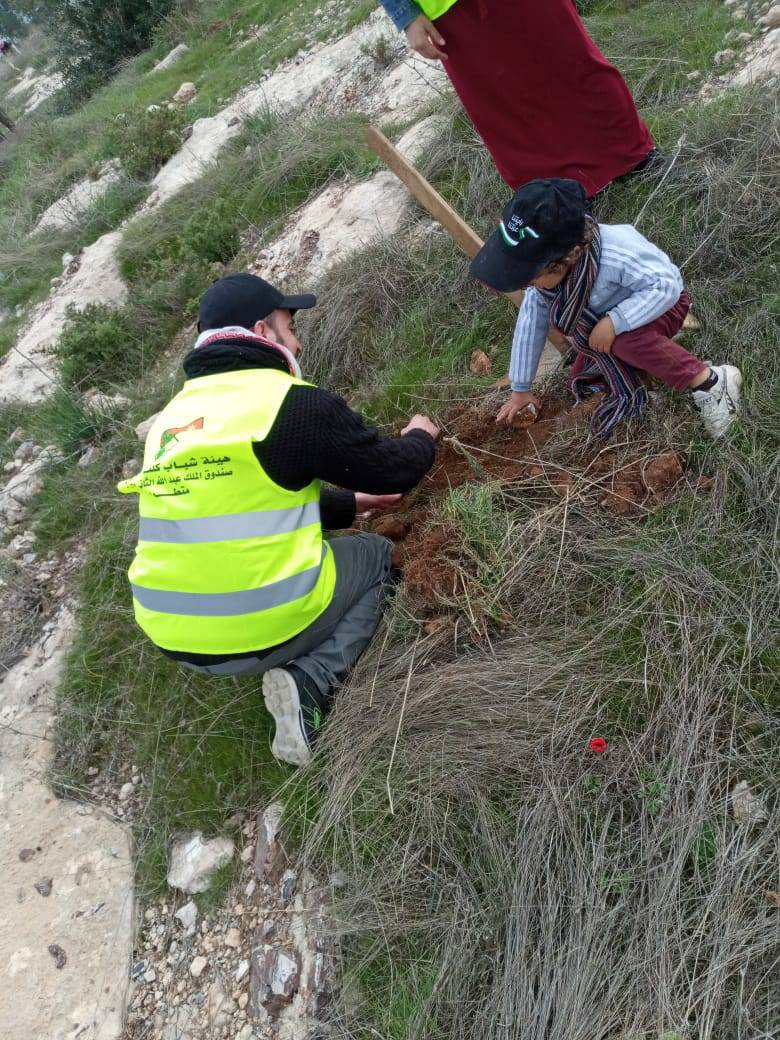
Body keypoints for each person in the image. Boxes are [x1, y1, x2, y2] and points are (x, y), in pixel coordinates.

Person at [119, 274, 440, 766]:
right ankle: (310, 679)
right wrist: (420, 436)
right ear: (261, 332)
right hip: (259, 627)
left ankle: (267, 645)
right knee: (376, 556)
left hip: (172, 637)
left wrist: (350, 504)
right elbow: (396, 470)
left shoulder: (170, 422)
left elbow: (234, 509)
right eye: (291, 327)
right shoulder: (288, 404)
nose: (298, 342)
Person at [470, 178, 742, 439]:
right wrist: (520, 388)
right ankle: (642, 378)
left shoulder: (615, 254)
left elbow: (665, 286)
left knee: (624, 343)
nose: (528, 285)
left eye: (530, 277)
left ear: (565, 260)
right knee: (584, 375)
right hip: (608, 321)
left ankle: (710, 382)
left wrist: (615, 321)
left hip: (660, 307)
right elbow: (530, 324)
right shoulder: (545, 284)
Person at [378, 0, 657, 198]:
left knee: (572, 60)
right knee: (504, 106)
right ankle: (559, 194)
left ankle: (631, 154)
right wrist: (406, 15)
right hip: (448, 10)